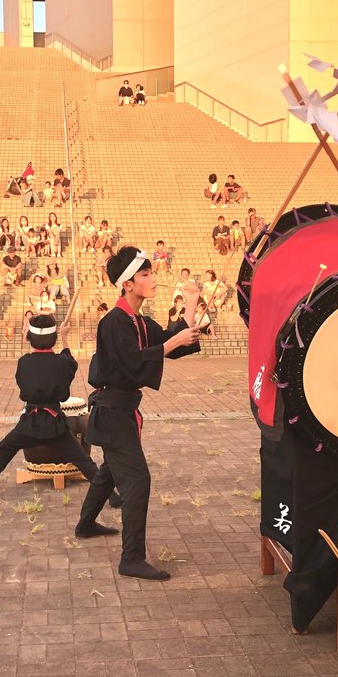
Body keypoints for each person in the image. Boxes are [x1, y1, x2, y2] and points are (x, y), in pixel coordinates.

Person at [75, 246, 202, 581]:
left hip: (121, 411)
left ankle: (86, 524)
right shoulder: (113, 322)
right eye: (145, 275)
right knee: (137, 480)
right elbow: (134, 361)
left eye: (150, 272)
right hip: (112, 412)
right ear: (127, 284)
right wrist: (175, 342)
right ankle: (131, 558)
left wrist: (190, 303)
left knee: (111, 471)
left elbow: (171, 343)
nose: (152, 279)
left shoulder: (139, 321)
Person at [0, 314, 117, 503]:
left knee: (4, 449)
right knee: (83, 460)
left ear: (30, 338)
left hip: (29, 422)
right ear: (54, 338)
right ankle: (112, 497)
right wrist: (65, 338)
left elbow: (25, 379)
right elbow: (70, 363)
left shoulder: (24, 362)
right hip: (55, 424)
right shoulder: (62, 363)